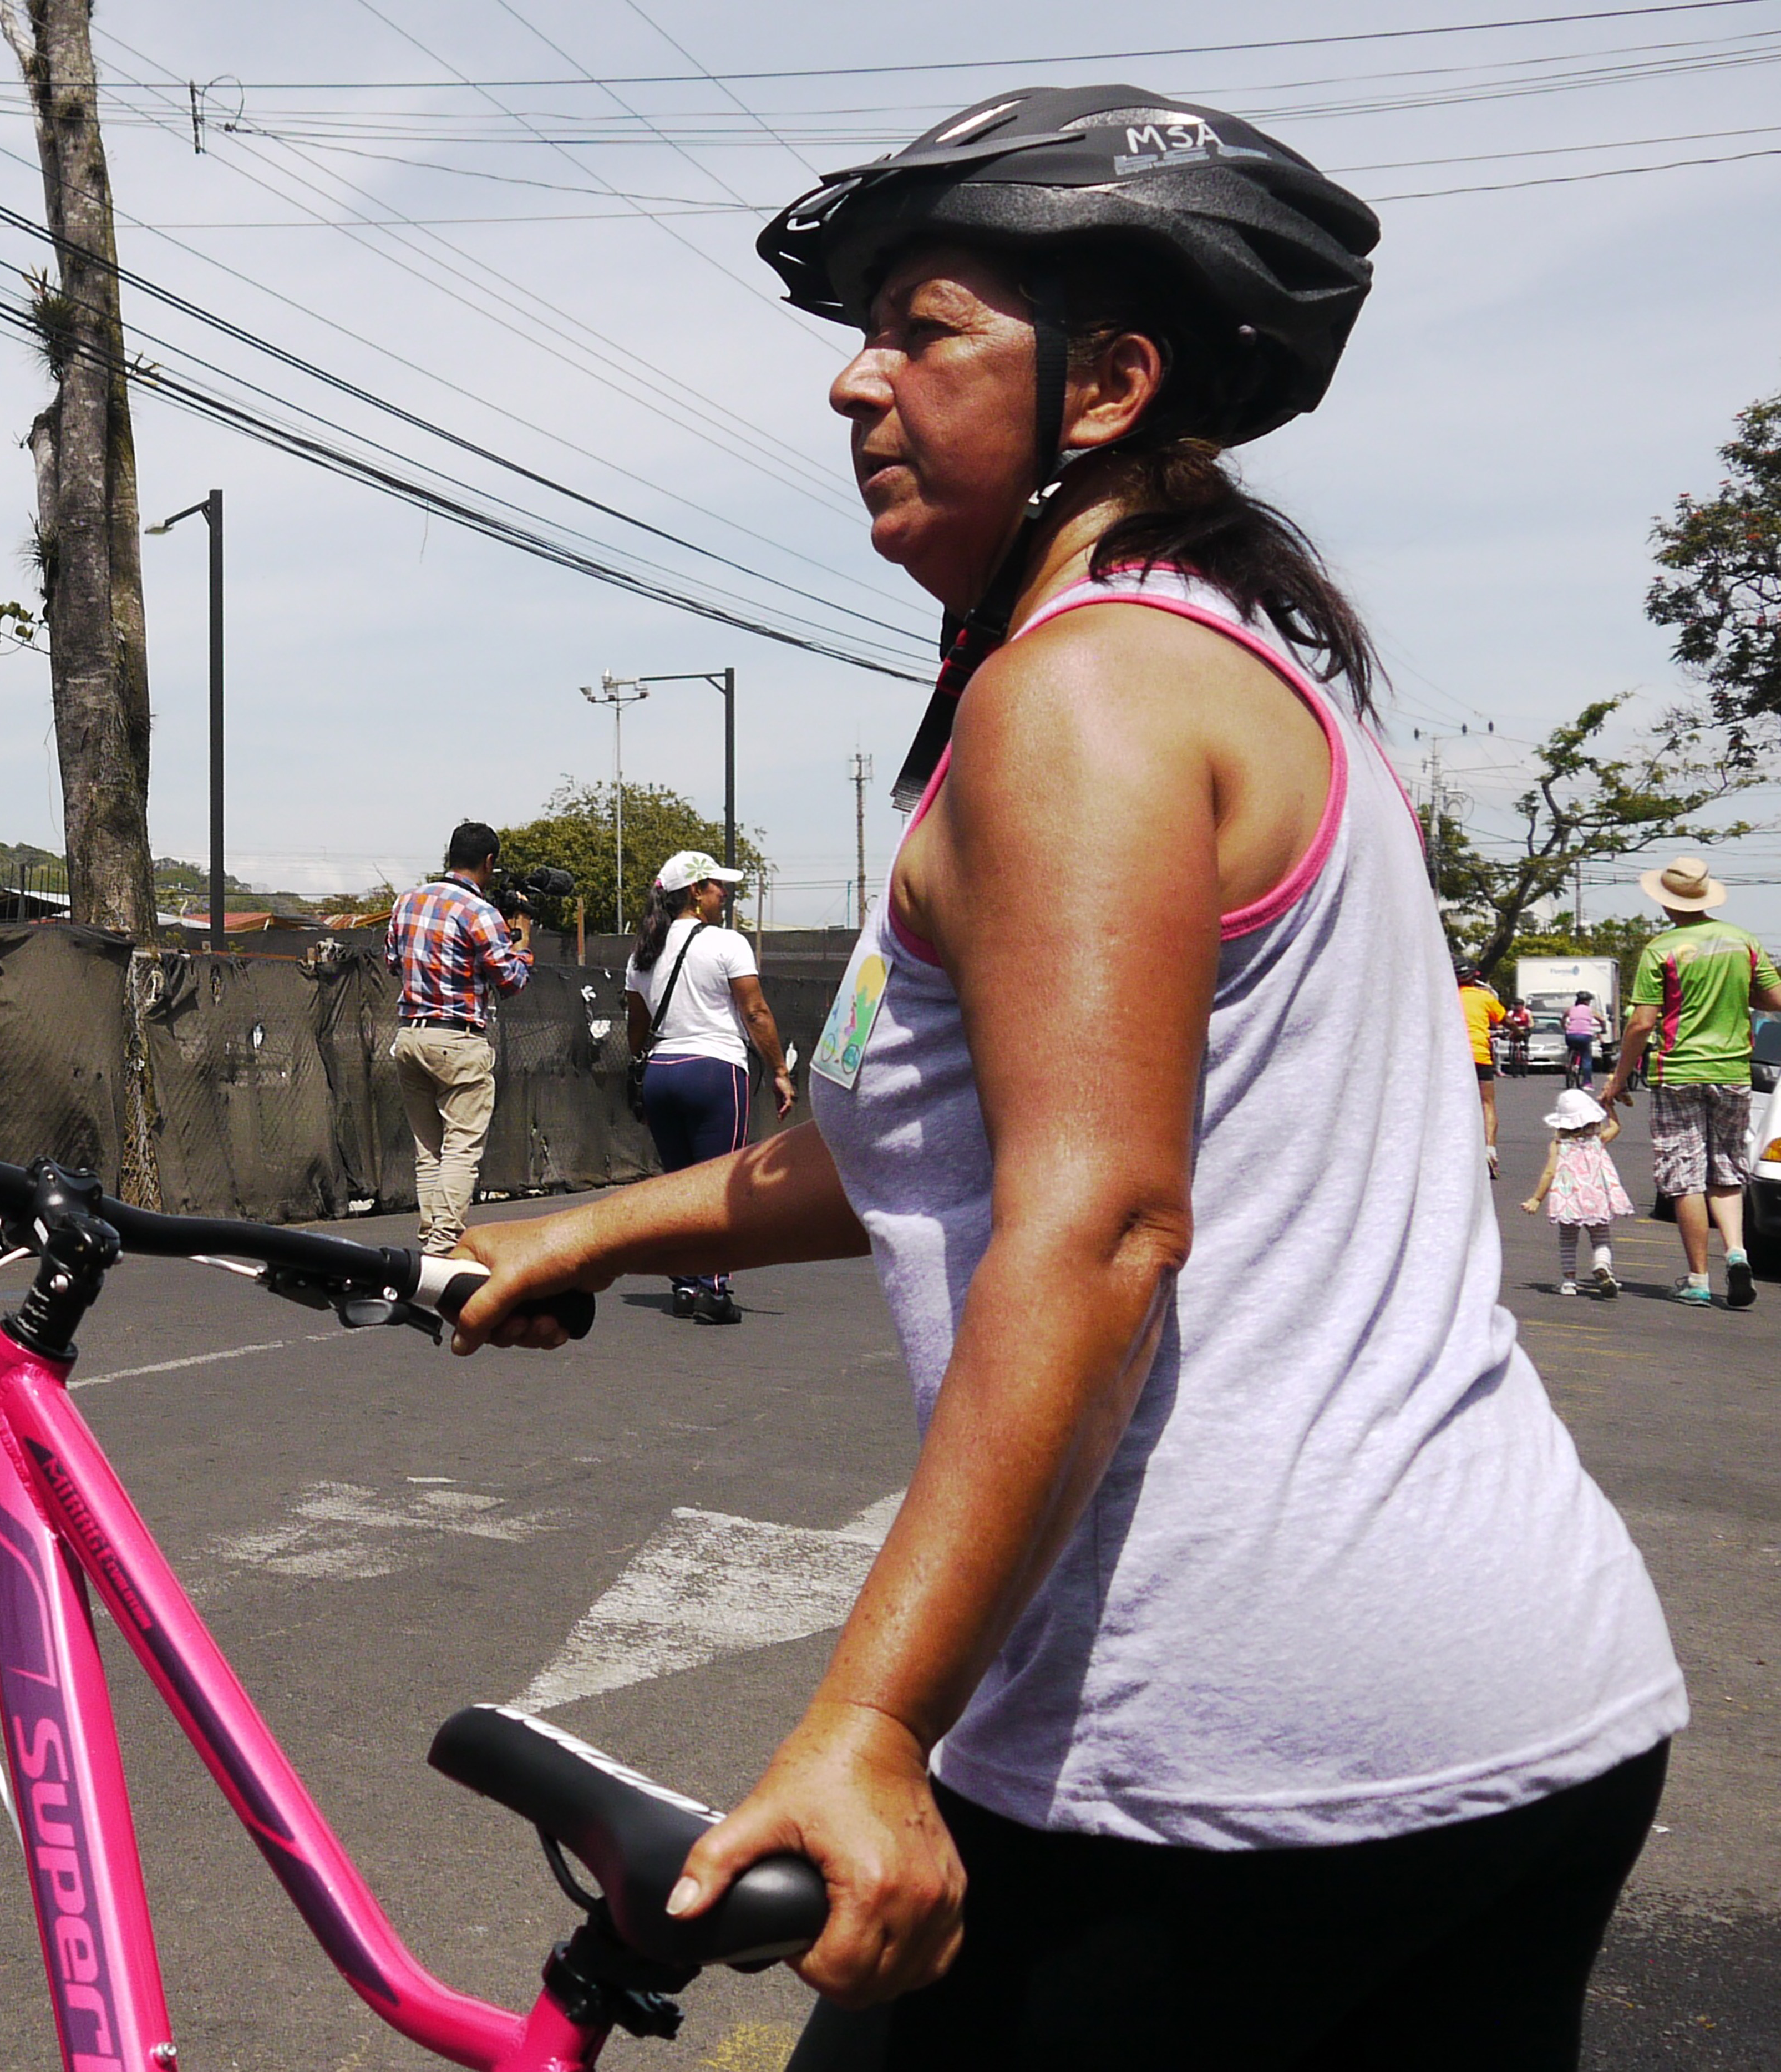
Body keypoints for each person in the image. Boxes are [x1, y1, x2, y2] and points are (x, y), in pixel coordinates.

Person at [445, 86, 1681, 2067]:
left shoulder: (1078, 694)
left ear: (1102, 380)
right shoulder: (1238, 665)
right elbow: (925, 1148)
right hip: (1535, 1711)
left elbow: (1096, 1217)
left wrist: (866, 1727)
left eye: (921, 328)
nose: (856, 381)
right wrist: (589, 1229)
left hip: (1223, 1750)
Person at [1599, 855, 1781, 1310]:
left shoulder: (1663, 949)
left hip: (1678, 1072)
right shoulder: (1744, 942)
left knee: (1685, 1178)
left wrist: (1618, 1079)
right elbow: (1775, 1000)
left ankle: (1698, 1277)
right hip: (1733, 1071)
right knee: (1726, 1170)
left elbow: (1641, 1023)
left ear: (1666, 902)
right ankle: (1737, 1253)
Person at [626, 849, 796, 1325]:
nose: (725, 892)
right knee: (721, 1182)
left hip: (663, 1072)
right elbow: (756, 1012)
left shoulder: (642, 951)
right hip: (715, 1071)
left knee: (678, 1183)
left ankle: (683, 1284)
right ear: (697, 892)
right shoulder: (727, 944)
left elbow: (635, 1027)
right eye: (718, 885)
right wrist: (780, 1070)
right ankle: (713, 1289)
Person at [387, 821, 534, 1257]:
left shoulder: (406, 902)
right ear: (489, 862)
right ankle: (443, 1243)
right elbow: (510, 982)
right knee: (460, 1148)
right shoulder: (480, 912)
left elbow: (395, 962)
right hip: (459, 1039)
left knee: (428, 1149)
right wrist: (523, 938)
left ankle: (431, 1234)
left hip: (411, 1037)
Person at [1523, 1088, 1630, 1299]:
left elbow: (1550, 1172)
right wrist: (1608, 1107)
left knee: (1568, 1240)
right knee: (1601, 1238)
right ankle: (1602, 1266)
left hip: (1569, 1199)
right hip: (1596, 1197)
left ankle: (1569, 1282)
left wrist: (1537, 1199)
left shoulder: (1559, 1144)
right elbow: (1616, 1127)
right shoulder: (1598, 1140)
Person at [1457, 962, 1506, 1174]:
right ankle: (1489, 1150)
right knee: (1487, 1103)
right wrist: (1518, 1032)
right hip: (1479, 1055)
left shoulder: (1445, 996)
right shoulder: (1484, 997)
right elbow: (1507, 1020)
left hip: (1454, 1059)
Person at [1561, 990, 1605, 1091]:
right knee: (1586, 1058)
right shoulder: (1590, 1010)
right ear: (1588, 1002)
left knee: (1571, 1048)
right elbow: (1602, 1020)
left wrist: (1565, 1027)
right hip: (1585, 1035)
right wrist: (1603, 1029)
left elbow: (1563, 1019)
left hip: (1571, 1034)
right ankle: (1587, 1083)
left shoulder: (1571, 1009)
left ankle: (1570, 1063)